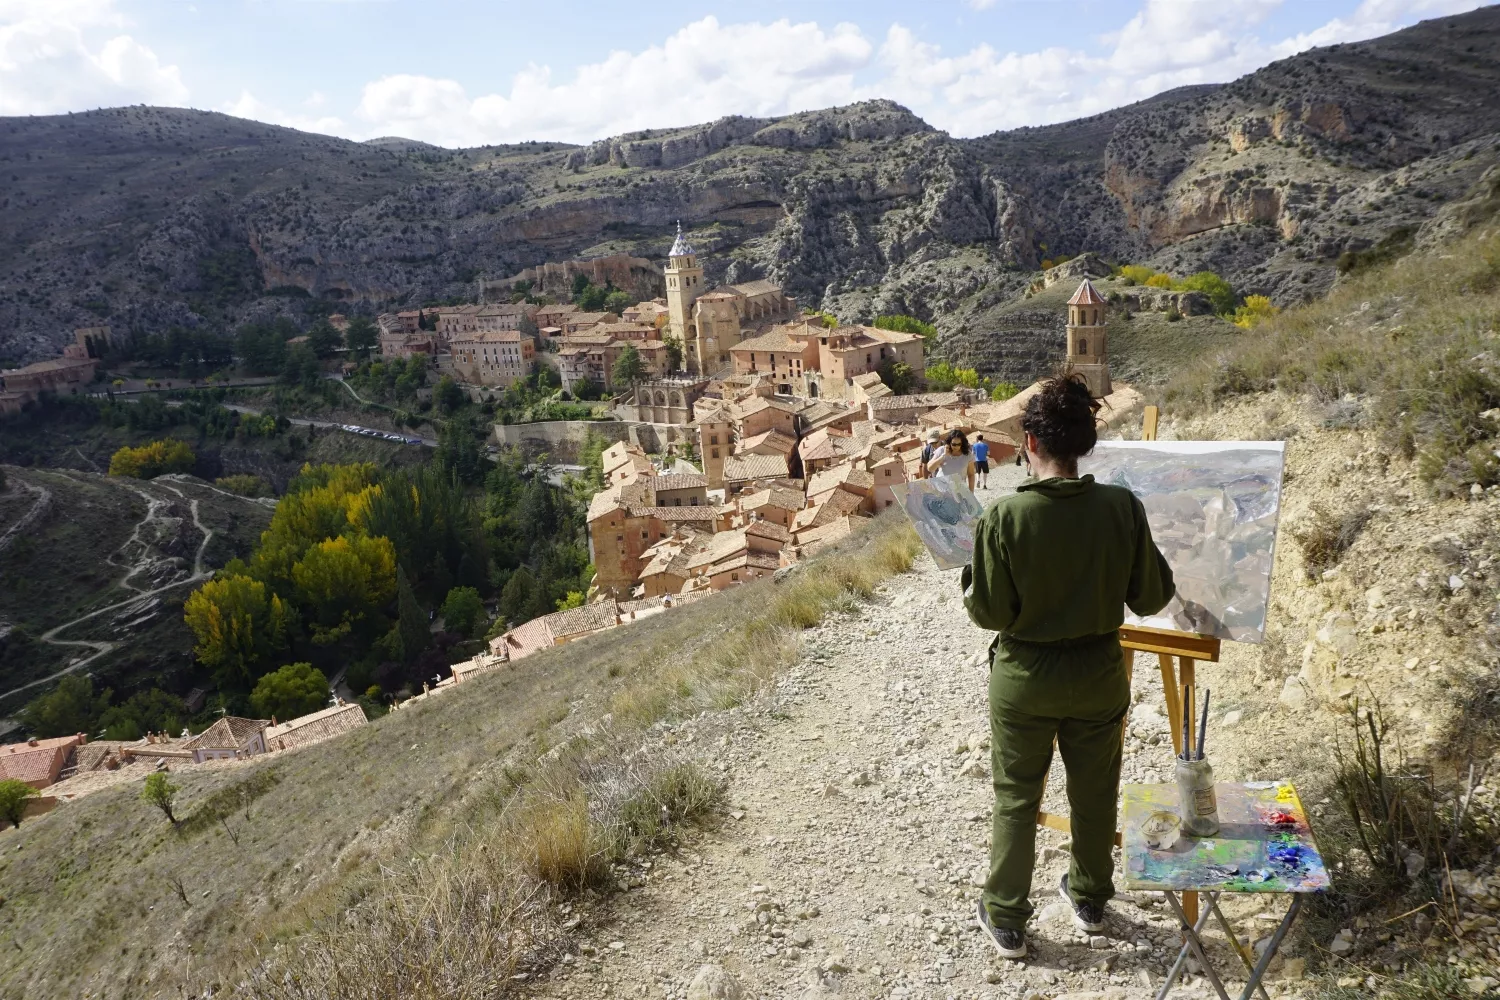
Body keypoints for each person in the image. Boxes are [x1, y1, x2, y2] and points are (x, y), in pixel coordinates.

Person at [962, 375, 1175, 960]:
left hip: (1025, 679)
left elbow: (989, 612)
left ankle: (1006, 915)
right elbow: (1151, 598)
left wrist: (969, 576)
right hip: (1100, 673)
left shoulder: (1005, 517)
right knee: (1096, 788)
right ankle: (1089, 898)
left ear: (1031, 443)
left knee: (1016, 797)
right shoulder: (1121, 507)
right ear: (1084, 443)